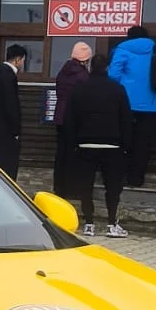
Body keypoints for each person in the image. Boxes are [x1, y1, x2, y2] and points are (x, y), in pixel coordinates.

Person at [66, 52, 131, 237]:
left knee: (86, 185)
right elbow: (126, 119)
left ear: (90, 67)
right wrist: (125, 145)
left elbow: (70, 119)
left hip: (85, 144)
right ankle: (111, 224)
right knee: (113, 185)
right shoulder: (117, 89)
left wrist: (74, 143)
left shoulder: (79, 89)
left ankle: (89, 223)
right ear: (108, 68)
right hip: (112, 145)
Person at [108, 25, 156, 187]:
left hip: (127, 104)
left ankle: (121, 176)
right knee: (143, 143)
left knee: (124, 141)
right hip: (152, 104)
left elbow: (113, 76)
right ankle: (137, 178)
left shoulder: (122, 50)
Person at [52, 41, 92, 197]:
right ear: (85, 59)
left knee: (61, 153)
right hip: (74, 118)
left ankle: (58, 187)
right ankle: (71, 189)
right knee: (73, 154)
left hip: (60, 116)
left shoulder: (64, 71)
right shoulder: (82, 76)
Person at [0, 44, 26, 179]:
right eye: (23, 60)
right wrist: (15, 130)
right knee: (8, 168)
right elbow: (11, 105)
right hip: (6, 131)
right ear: (17, 59)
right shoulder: (9, 76)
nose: (23, 64)